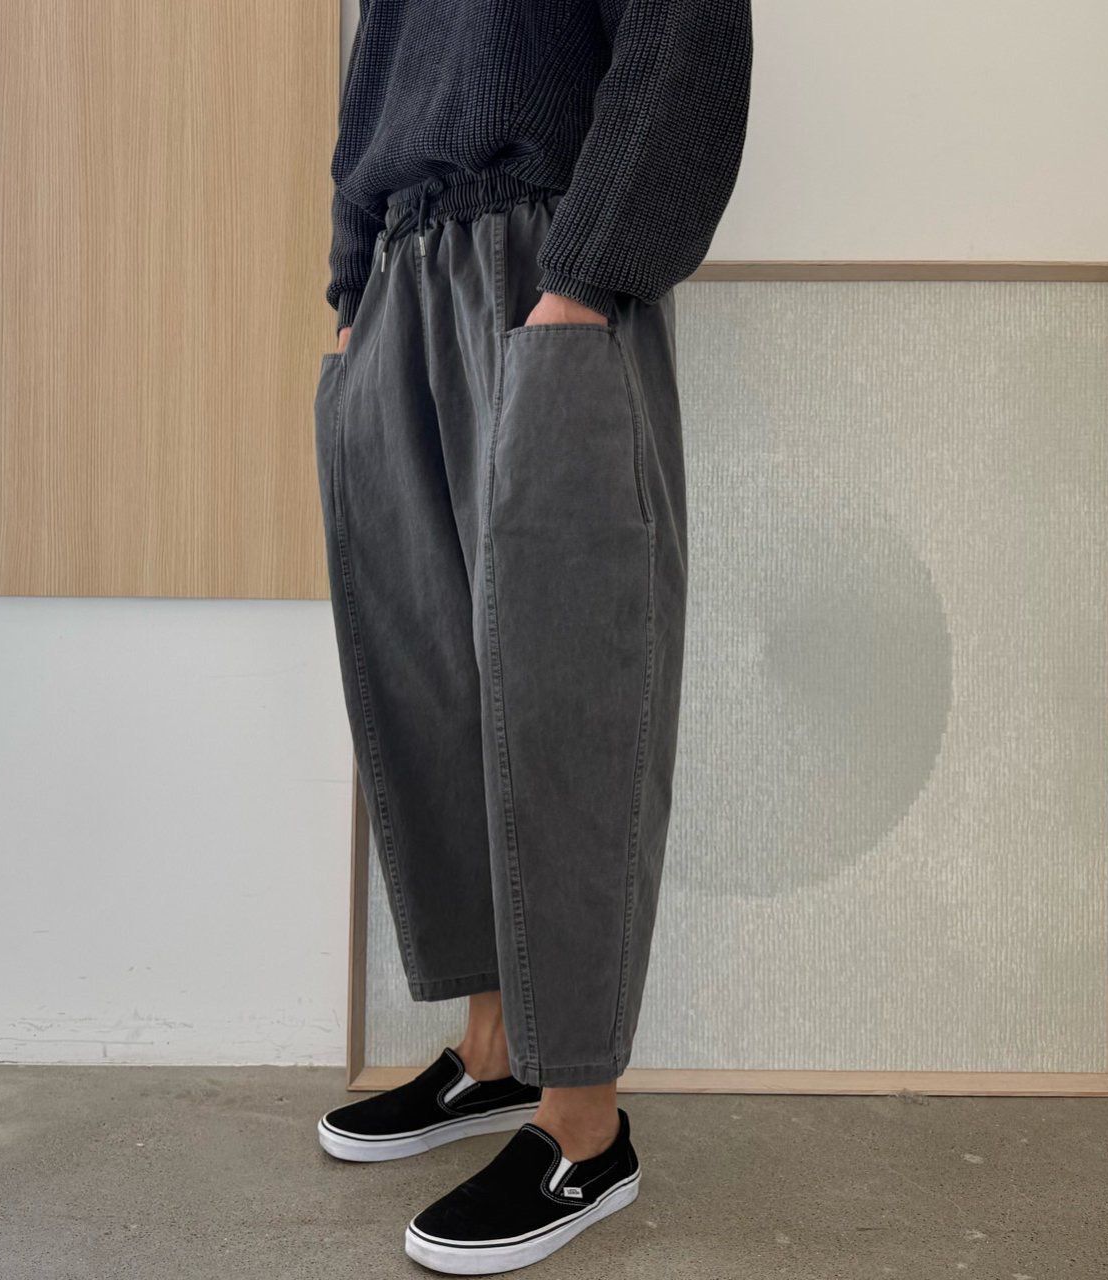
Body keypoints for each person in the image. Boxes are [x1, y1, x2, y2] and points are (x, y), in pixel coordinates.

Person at [312, 1, 751, 1271]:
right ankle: (494, 1049)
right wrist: (351, 280)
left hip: (540, 259)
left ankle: (582, 1121)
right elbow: (377, 70)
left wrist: (586, 271)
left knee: (567, 678)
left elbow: (681, 28)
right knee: (428, 683)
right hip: (400, 267)